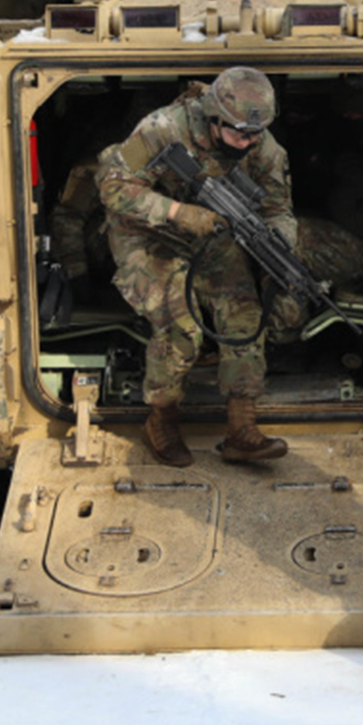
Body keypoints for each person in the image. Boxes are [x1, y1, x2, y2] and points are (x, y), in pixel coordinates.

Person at [95, 67, 294, 466]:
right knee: (180, 325)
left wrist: (281, 248)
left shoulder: (263, 146)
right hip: (146, 233)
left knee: (245, 316)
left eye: (255, 133)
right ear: (214, 117)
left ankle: (242, 429)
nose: (248, 142)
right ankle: (161, 420)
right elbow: (113, 186)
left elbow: (278, 209)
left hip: (212, 233)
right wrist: (176, 211)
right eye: (239, 133)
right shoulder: (162, 129)